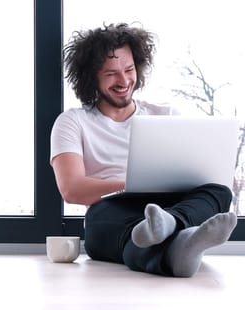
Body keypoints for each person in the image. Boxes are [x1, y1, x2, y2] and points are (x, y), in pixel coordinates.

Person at [50, 22, 237, 277]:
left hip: (169, 206)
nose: (124, 80)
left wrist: (167, 206)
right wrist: (129, 184)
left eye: (129, 69)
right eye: (111, 73)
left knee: (219, 192)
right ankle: (181, 242)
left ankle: (173, 228)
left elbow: (192, 173)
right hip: (112, 207)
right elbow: (71, 189)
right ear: (91, 76)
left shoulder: (166, 114)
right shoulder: (73, 121)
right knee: (116, 228)